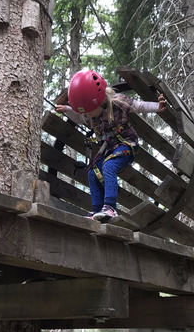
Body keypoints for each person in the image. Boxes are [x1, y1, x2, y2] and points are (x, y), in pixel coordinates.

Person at [55, 69, 166, 222]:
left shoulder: (118, 103)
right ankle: (97, 210)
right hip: (109, 149)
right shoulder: (91, 111)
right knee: (92, 173)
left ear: (99, 101)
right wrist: (67, 110)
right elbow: (79, 117)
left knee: (108, 166)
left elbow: (139, 106)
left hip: (126, 145)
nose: (87, 116)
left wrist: (157, 107)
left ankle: (110, 207)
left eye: (88, 112)